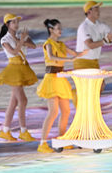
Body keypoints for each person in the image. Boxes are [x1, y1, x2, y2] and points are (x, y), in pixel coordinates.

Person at [36, 19, 86, 153]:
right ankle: (42, 143)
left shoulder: (62, 44)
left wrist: (90, 48)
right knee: (53, 112)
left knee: (66, 111)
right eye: (58, 28)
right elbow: (51, 57)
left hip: (60, 78)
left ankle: (63, 139)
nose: (60, 31)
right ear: (51, 29)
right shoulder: (48, 44)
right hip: (51, 79)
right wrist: (69, 59)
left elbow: (75, 54)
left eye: (60, 28)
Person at [0, 14, 38, 142]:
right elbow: (14, 52)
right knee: (23, 101)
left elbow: (33, 46)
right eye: (13, 22)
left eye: (17, 22)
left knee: (14, 102)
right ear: (7, 24)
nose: (16, 24)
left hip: (22, 67)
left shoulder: (18, 36)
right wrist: (21, 41)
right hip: (14, 69)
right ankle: (23, 131)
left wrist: (25, 39)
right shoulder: (5, 39)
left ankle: (5, 131)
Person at [74, 0, 112, 70]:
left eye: (98, 9)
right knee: (99, 81)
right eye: (96, 9)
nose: (99, 11)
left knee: (100, 81)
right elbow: (90, 45)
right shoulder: (84, 27)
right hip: (82, 62)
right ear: (89, 12)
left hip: (94, 61)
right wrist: (105, 40)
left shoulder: (100, 25)